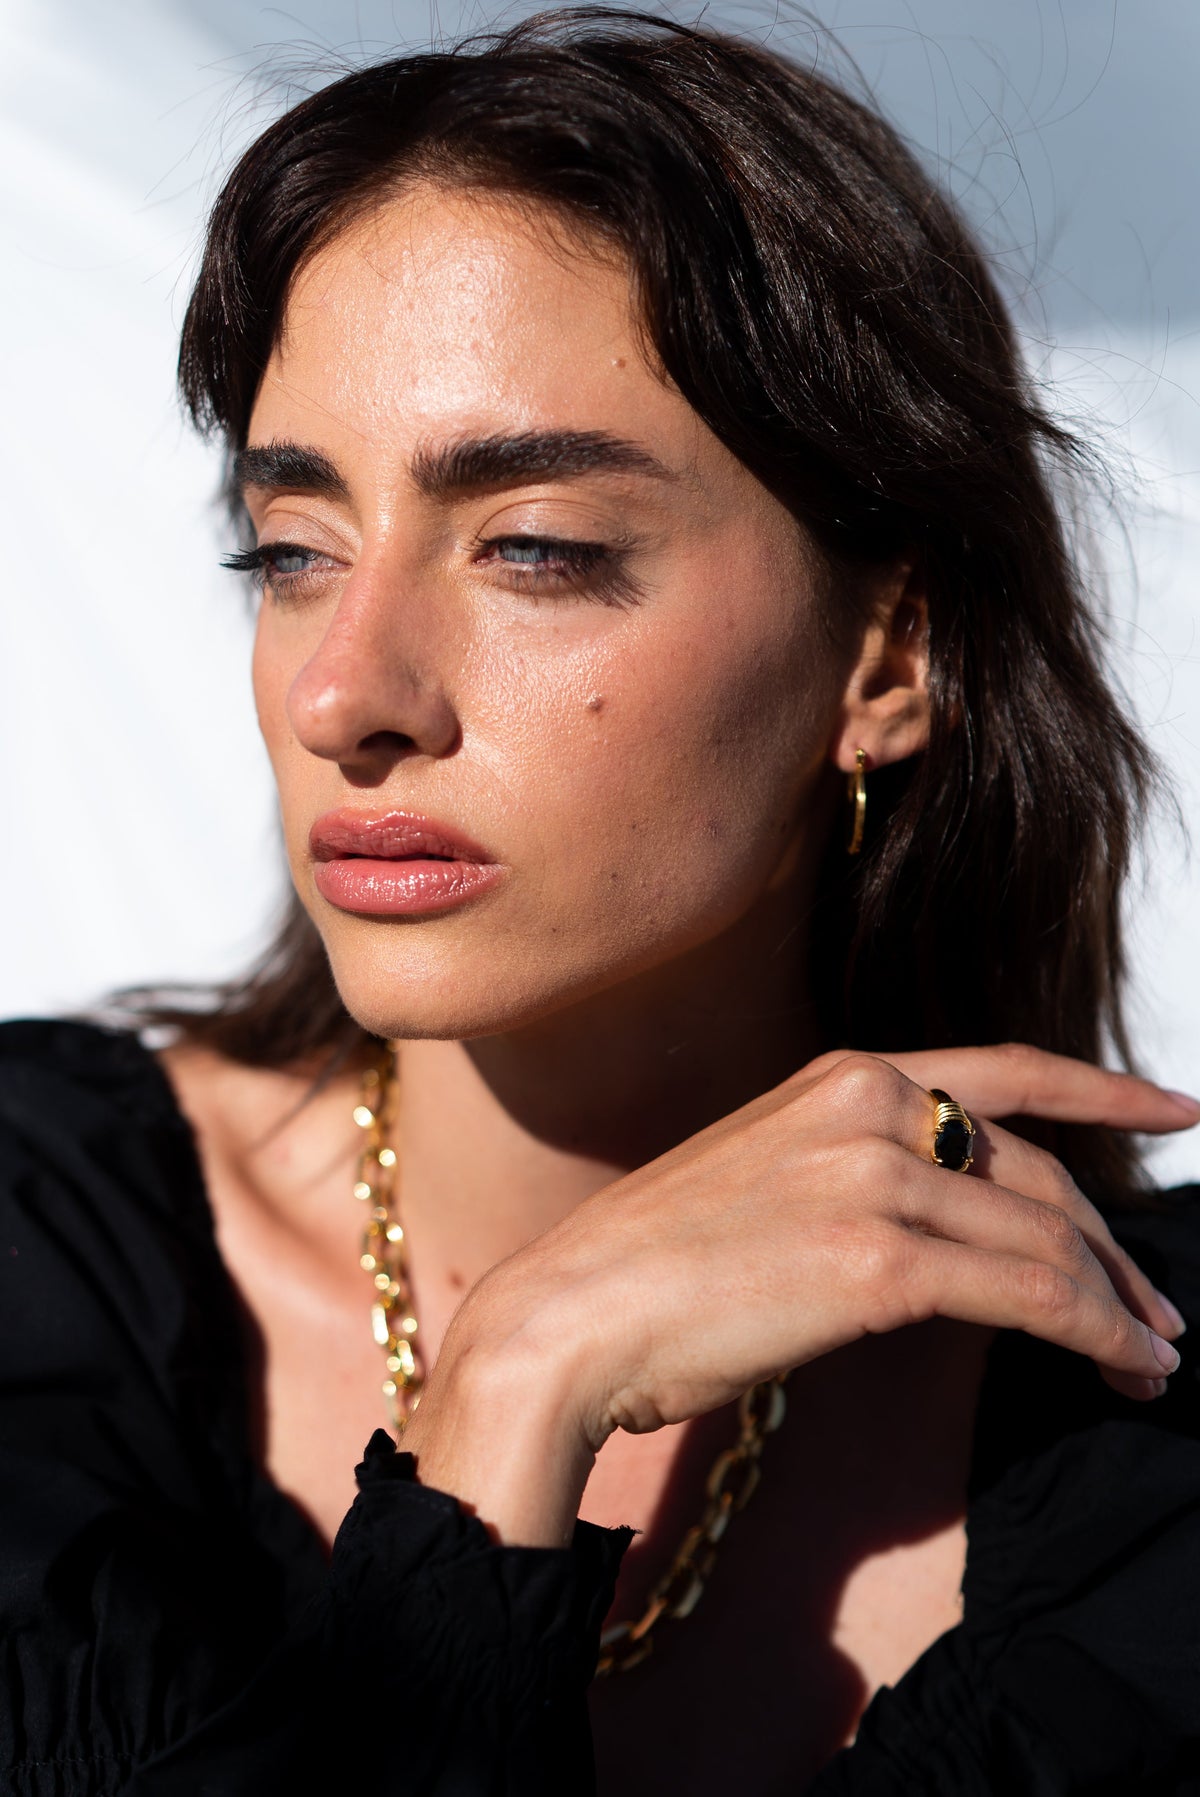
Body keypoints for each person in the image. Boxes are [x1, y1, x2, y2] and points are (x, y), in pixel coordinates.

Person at [2, 9, 1198, 1792]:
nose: (344, 692)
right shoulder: (39, 1271)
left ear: (892, 652)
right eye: (293, 551)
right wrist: (516, 1391)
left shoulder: (1145, 1438)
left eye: (536, 549)